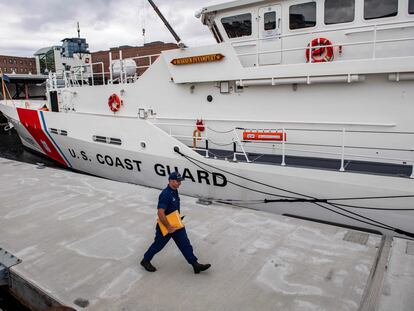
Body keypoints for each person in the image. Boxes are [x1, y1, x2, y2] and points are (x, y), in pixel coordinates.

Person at [141, 172, 211, 274]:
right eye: (178, 181)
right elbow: (160, 213)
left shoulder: (175, 191)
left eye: (180, 181)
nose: (180, 183)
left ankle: (195, 265)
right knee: (158, 246)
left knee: (185, 244)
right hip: (165, 226)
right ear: (171, 181)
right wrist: (168, 226)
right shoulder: (165, 194)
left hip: (176, 224)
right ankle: (145, 261)